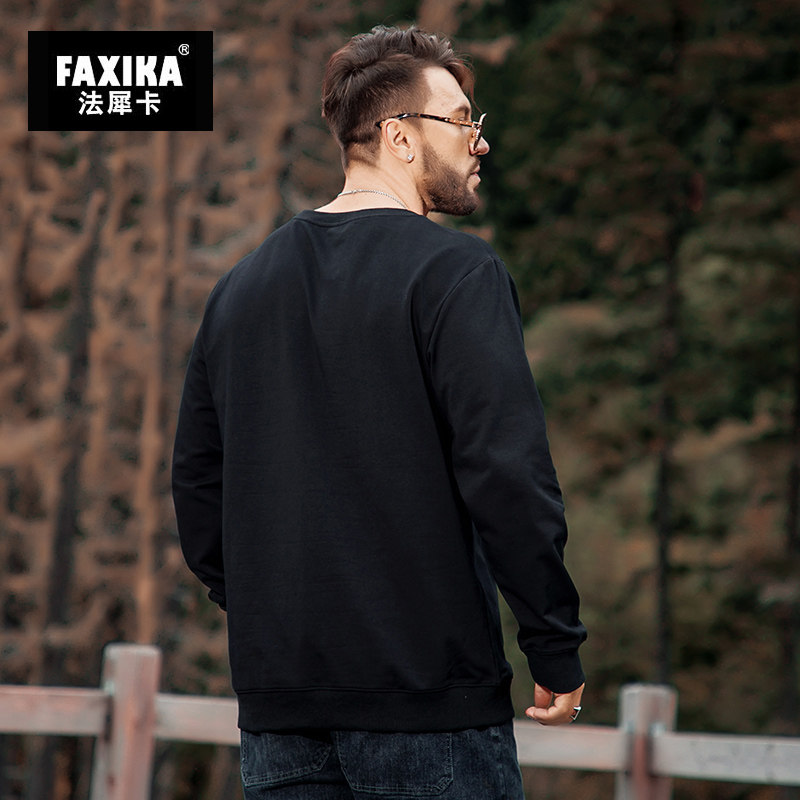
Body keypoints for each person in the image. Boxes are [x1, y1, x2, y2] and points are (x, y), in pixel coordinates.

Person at [172, 24, 587, 800]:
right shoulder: (457, 273)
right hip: (430, 712)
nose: (479, 142)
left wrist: (282, 611)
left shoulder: (241, 288)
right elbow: (508, 475)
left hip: (281, 711)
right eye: (460, 120)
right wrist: (553, 644)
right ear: (400, 136)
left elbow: (198, 491)